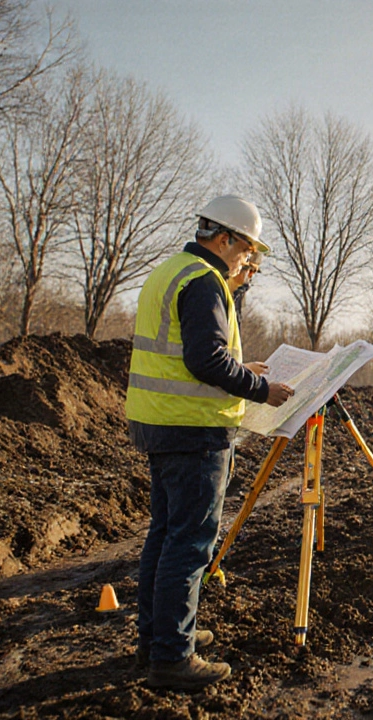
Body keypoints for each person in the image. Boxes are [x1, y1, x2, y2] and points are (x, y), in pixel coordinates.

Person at [125, 195, 294, 691]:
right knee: (190, 542)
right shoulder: (204, 283)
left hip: (159, 423)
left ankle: (158, 638)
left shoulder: (171, 272)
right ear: (225, 238)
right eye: (247, 250)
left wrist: (245, 368)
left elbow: (194, 352)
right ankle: (173, 658)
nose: (249, 261)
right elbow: (205, 361)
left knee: (165, 534)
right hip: (193, 429)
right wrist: (263, 388)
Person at [226, 252, 261, 330]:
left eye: (254, 272)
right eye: (250, 271)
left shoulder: (237, 294)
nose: (251, 276)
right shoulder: (219, 292)